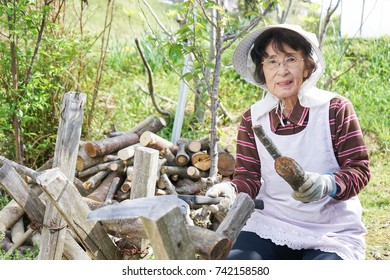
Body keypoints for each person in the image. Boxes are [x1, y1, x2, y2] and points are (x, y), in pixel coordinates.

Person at [205, 24, 371, 260]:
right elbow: (249, 178)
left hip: (331, 230)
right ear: (262, 70)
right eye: (272, 61)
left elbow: (359, 169)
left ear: (307, 67)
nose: (281, 70)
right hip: (272, 224)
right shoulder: (253, 118)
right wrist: (231, 189)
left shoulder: (334, 109)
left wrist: (327, 184)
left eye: (290, 59)